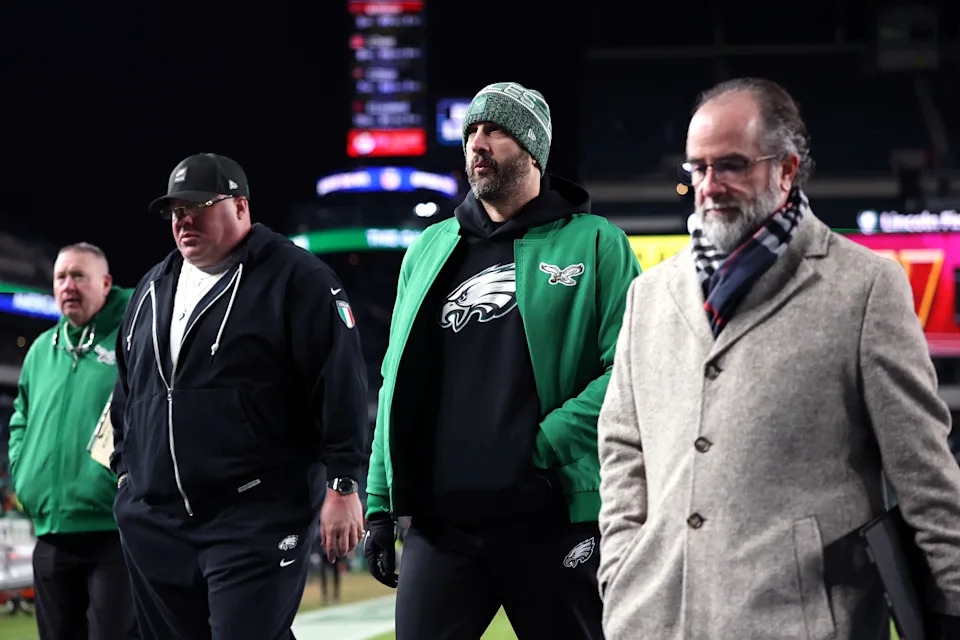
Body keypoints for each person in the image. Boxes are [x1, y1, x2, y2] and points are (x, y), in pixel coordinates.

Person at [597, 77, 960, 640]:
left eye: (732, 165)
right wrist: (623, 569)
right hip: (657, 617)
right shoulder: (651, 294)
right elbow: (622, 445)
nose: (709, 186)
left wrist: (950, 607)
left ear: (787, 169)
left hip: (801, 622)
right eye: (698, 168)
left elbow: (924, 475)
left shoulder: (864, 287)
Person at [362, 81, 641, 639]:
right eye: (471, 132)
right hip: (442, 528)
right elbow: (394, 379)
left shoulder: (595, 243)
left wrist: (538, 448)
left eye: (495, 131)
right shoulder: (429, 249)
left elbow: (630, 372)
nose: (477, 144)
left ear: (532, 150)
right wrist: (379, 501)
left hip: (551, 517)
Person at [110, 153, 369, 639]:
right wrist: (126, 475)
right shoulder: (149, 288)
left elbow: (341, 385)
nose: (183, 219)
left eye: (198, 205)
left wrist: (344, 483)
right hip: (156, 520)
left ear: (241, 207)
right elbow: (128, 392)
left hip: (256, 513)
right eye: (174, 210)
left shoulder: (298, 278)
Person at [8, 242, 138, 639]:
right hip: (51, 531)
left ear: (105, 283)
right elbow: (20, 420)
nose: (68, 285)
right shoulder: (40, 350)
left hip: (112, 531)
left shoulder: (132, 336)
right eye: (61, 277)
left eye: (79, 276)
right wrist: (25, 475)